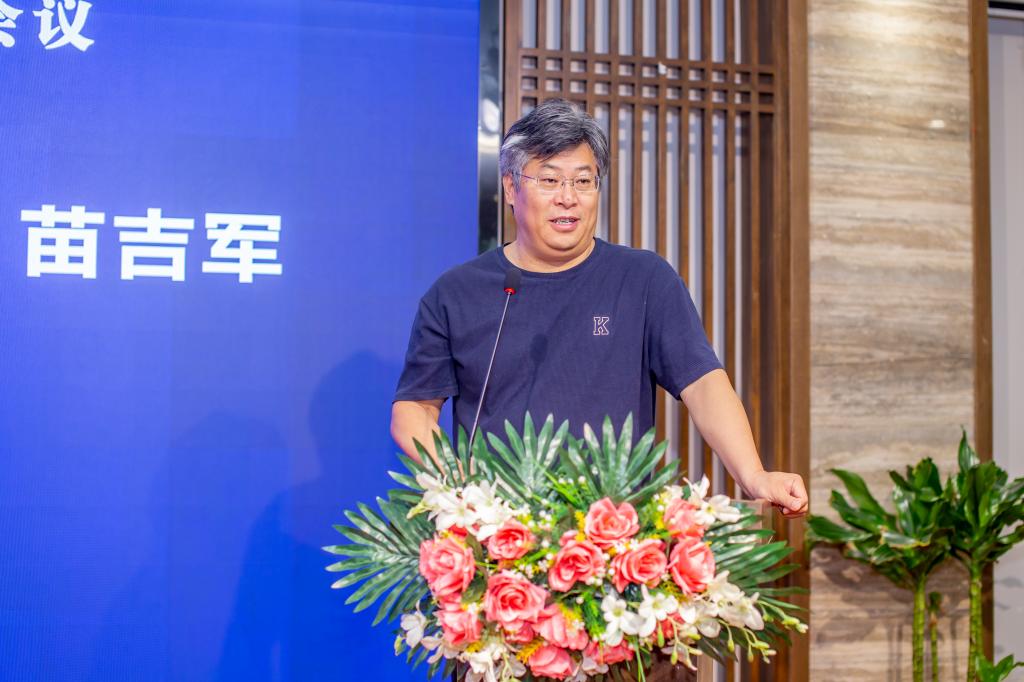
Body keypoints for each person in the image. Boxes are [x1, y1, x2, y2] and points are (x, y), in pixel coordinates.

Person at [391, 98, 807, 518]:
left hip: (615, 532)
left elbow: (703, 384)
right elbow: (415, 408)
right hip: (500, 527)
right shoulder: (455, 293)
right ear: (511, 188)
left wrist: (754, 474)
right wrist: (458, 483)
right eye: (549, 180)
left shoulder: (644, 279)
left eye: (583, 181)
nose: (568, 198)